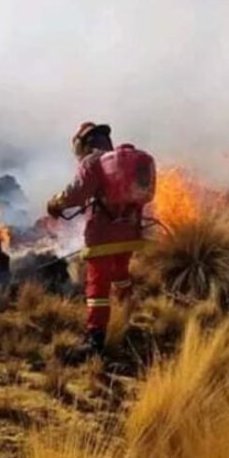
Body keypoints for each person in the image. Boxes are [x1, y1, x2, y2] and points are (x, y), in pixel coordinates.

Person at [46, 122, 155, 360]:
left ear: (84, 144)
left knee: (97, 287)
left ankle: (94, 339)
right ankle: (128, 311)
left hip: (103, 235)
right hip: (130, 233)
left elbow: (77, 193)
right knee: (120, 273)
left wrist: (55, 203)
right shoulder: (121, 164)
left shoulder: (93, 163)